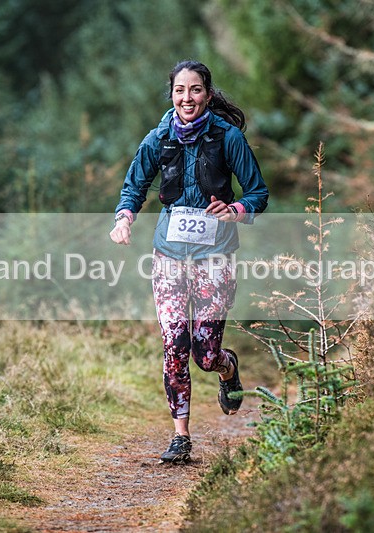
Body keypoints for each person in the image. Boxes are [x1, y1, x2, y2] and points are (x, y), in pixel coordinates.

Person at [109, 60, 269, 463]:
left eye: (195, 90)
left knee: (205, 354)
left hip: (215, 257)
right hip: (168, 256)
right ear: (172, 95)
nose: (187, 98)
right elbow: (133, 188)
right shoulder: (159, 137)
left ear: (208, 95)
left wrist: (235, 209)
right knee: (174, 345)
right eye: (180, 90)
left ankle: (227, 368)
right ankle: (180, 436)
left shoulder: (228, 137)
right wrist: (123, 219)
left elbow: (258, 193)